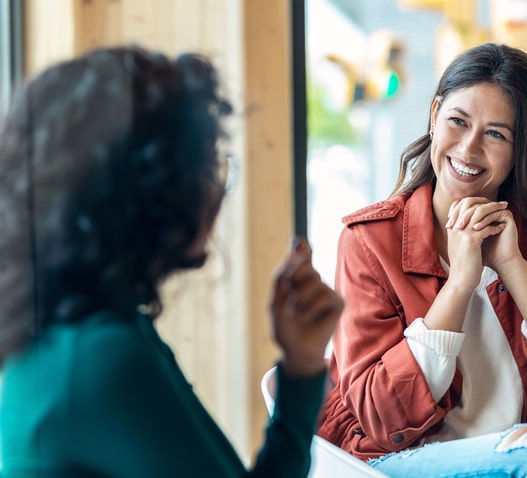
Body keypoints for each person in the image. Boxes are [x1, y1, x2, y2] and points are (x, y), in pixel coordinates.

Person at [0, 45, 342, 477]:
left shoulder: (78, 335)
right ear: (151, 191)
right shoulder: (102, 361)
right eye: (207, 167)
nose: (219, 192)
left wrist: (303, 362)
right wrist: (301, 373)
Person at [317, 42, 527, 477]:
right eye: (458, 122)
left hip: (519, 460)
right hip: (396, 462)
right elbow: (381, 418)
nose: (469, 148)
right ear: (435, 114)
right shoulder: (369, 241)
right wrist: (460, 282)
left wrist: (513, 265)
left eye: (496, 134)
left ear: (522, 150)